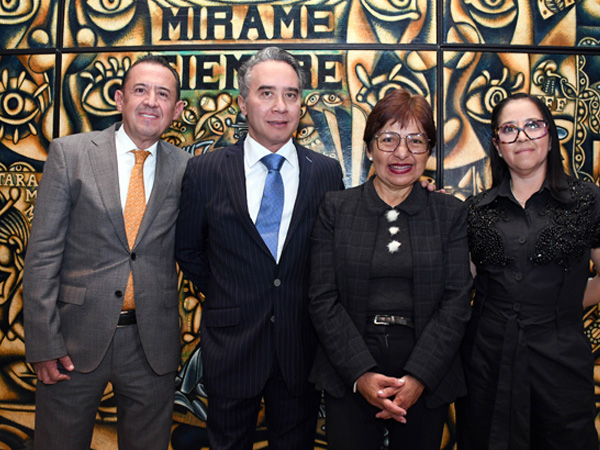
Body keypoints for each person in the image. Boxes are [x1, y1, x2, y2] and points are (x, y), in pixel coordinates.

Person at [174, 47, 345, 450]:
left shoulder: (325, 172)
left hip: (300, 348)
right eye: (266, 93)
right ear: (242, 103)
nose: (280, 106)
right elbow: (188, 250)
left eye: (291, 94)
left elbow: (334, 253)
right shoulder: (205, 170)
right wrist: (230, 293)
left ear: (301, 104)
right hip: (231, 347)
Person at [23, 54, 190, 450]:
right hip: (72, 341)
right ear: (119, 98)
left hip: (152, 345)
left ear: (177, 110)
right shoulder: (70, 154)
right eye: (140, 90)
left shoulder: (188, 168)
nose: (151, 101)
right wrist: (43, 344)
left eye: (163, 94)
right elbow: (43, 255)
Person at [308, 88, 473, 450]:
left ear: (429, 150)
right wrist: (361, 374)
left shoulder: (449, 214)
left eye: (416, 140)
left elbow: (456, 301)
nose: (402, 152)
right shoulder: (335, 209)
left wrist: (419, 377)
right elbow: (322, 298)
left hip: (427, 366)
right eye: (388, 139)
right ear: (369, 148)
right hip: (350, 365)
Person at [456, 93, 600, 450]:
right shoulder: (475, 211)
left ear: (550, 136)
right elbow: (459, 286)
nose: (522, 137)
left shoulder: (587, 200)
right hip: (486, 362)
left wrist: (560, 306)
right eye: (509, 129)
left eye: (533, 125)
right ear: (497, 145)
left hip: (561, 361)